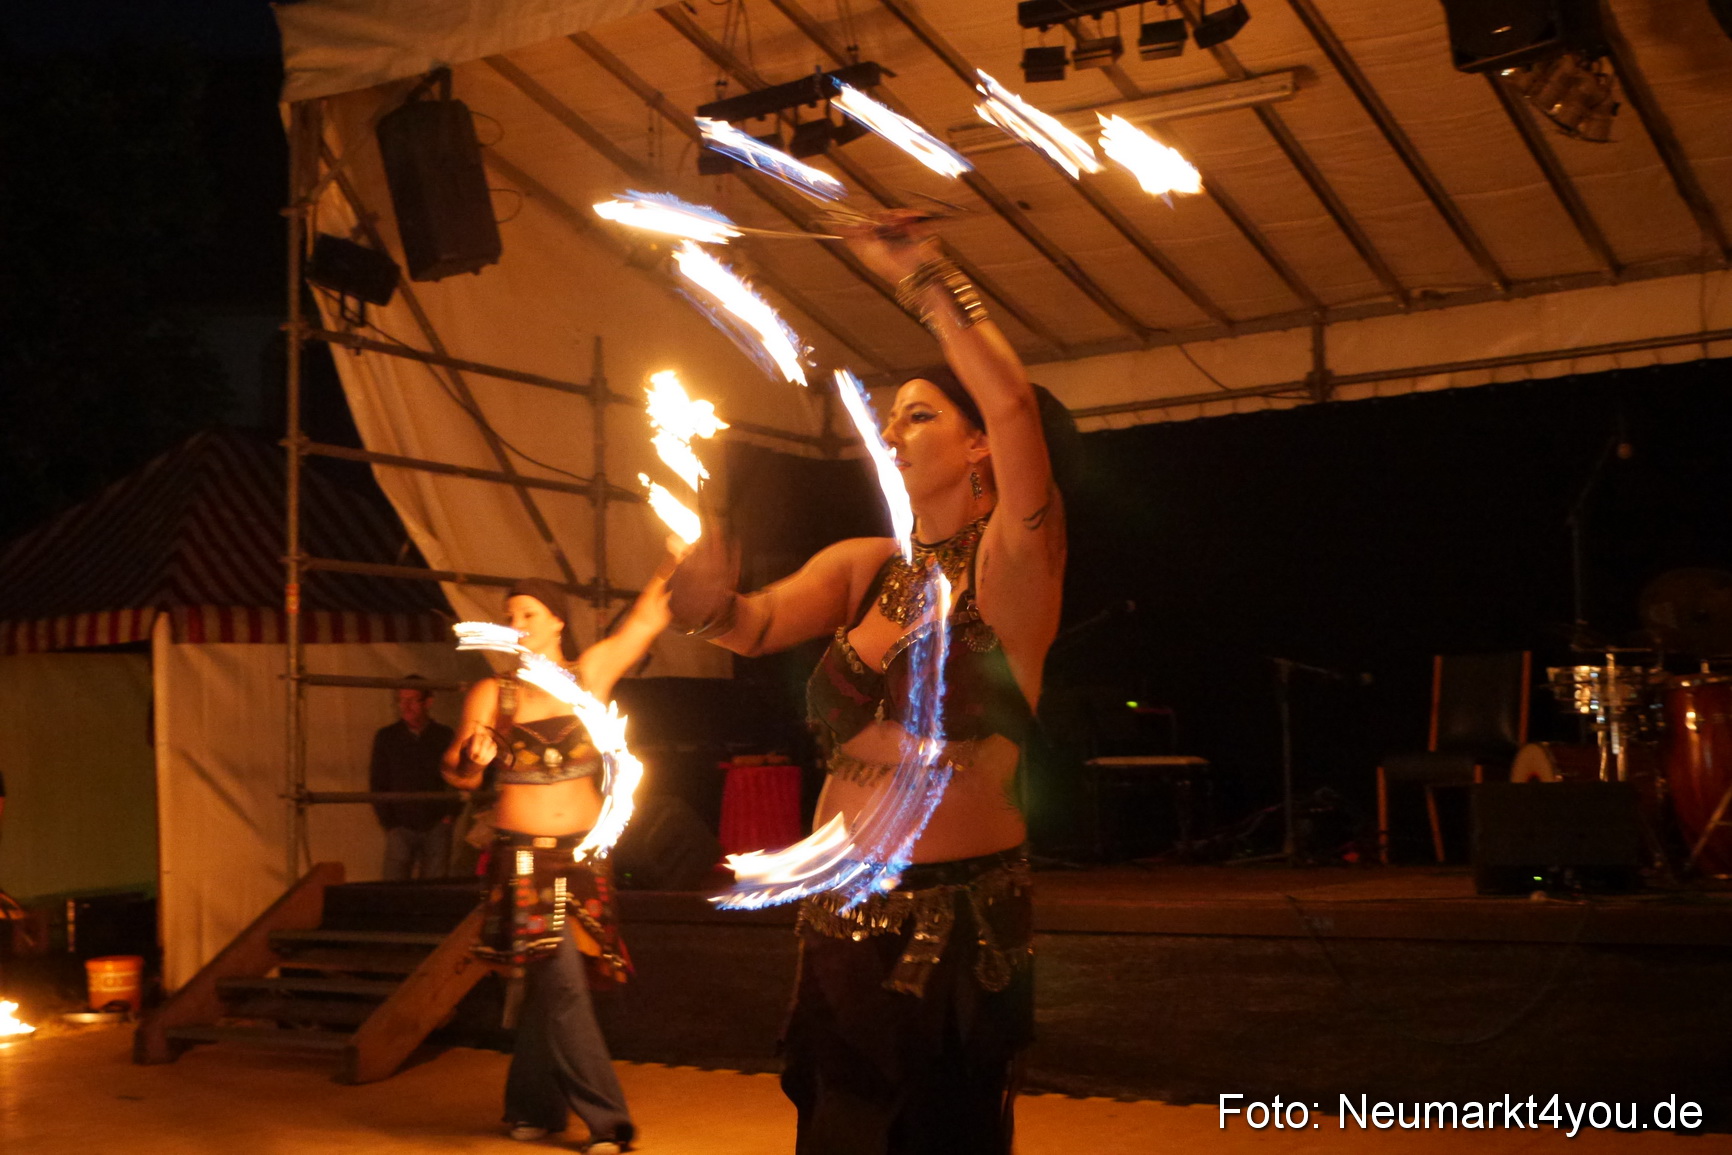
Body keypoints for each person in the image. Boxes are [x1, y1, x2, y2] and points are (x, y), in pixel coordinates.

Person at [670, 211, 1074, 1155]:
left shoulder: (1015, 568)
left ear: (979, 448)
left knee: (941, 1136)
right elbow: (752, 624)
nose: (891, 433)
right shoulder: (864, 566)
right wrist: (703, 602)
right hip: (840, 917)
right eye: (889, 418)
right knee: (839, 1131)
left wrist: (928, 277)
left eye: (920, 414)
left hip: (956, 926)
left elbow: (1014, 405)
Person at [443, 566, 676, 1155]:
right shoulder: (495, 694)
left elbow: (647, 618)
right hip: (524, 860)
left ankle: (529, 1105)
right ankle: (609, 1123)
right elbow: (458, 774)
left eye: (528, 613)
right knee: (563, 982)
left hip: (584, 856)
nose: (516, 625)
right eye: (510, 616)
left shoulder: (589, 675)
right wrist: (474, 754)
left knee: (557, 983)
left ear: (556, 621)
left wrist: (681, 555)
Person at [370, 678, 458, 881]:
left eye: (412, 700)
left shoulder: (444, 735)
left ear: (428, 702)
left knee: (435, 889)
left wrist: (449, 815)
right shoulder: (387, 737)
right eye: (402, 700)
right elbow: (378, 781)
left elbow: (455, 777)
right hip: (400, 825)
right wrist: (389, 822)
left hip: (436, 823)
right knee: (394, 889)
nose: (405, 706)